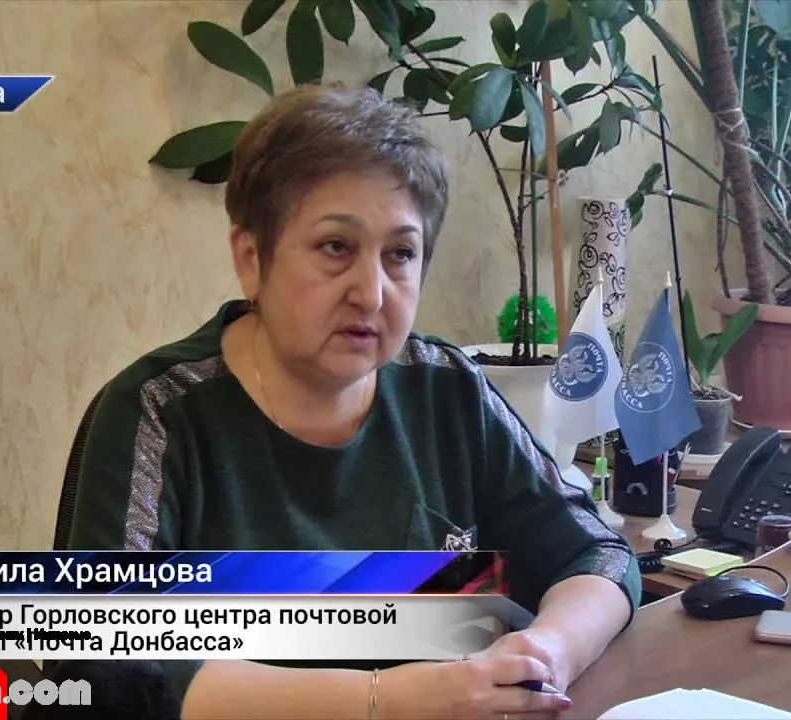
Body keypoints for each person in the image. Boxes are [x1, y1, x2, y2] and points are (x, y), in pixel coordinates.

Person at [69, 83, 641, 720]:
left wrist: (547, 652)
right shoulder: (159, 410)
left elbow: (598, 553)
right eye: (336, 247)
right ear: (251, 258)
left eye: (400, 254)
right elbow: (108, 664)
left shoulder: (446, 387)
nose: (370, 293)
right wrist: (386, 701)